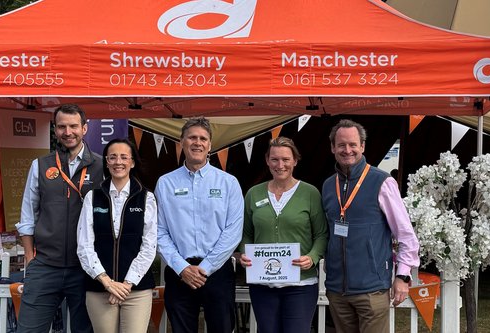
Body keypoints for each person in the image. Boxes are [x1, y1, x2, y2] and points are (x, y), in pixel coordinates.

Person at [321, 119, 419, 333]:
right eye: (341, 145)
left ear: (363, 146)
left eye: (353, 144)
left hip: (372, 290)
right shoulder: (328, 186)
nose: (347, 150)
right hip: (337, 290)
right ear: (332, 147)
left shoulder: (382, 182)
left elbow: (406, 236)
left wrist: (402, 276)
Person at [16, 104, 101, 333]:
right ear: (55, 130)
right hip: (45, 265)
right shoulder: (40, 165)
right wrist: (29, 256)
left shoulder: (103, 166)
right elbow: (27, 215)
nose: (68, 132)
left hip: (86, 268)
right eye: (62, 126)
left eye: (73, 126)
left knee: (87, 330)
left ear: (85, 128)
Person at [156, 117, 244, 333]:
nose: (197, 142)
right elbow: (159, 231)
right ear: (182, 142)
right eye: (192, 137)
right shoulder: (165, 183)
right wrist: (182, 268)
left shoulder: (228, 182)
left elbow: (233, 231)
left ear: (210, 145)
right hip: (179, 273)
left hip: (218, 272)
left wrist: (204, 268)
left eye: (203, 138)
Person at [239, 137, 328, 333]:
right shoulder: (254, 194)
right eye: (275, 159)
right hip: (263, 284)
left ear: (295, 161)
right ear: (267, 161)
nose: (280, 165)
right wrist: (244, 254)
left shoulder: (310, 193)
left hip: (301, 284)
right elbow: (246, 234)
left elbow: (321, 234)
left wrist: (312, 257)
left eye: (286, 159)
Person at [77, 139, 157, 333]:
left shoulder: (146, 197)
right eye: (112, 157)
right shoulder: (93, 197)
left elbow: (149, 246)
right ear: (106, 161)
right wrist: (108, 282)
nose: (118, 162)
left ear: (132, 162)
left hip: (136, 290)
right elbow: (84, 245)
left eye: (124, 157)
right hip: (99, 288)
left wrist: (125, 285)